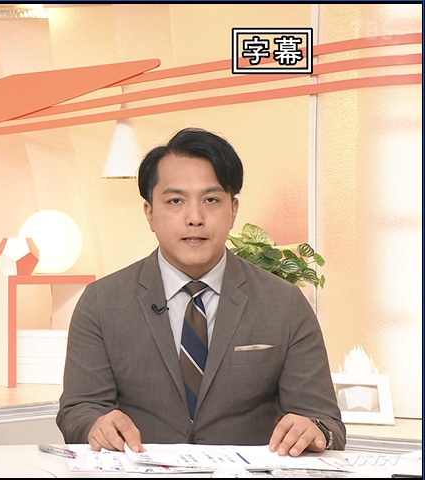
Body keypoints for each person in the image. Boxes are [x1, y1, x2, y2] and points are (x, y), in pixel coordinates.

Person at [56, 127, 345, 457]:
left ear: (233, 210)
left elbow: (325, 421)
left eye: (211, 200)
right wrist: (95, 424)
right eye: (175, 201)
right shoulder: (101, 302)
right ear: (150, 213)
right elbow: (77, 410)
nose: (194, 218)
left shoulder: (285, 304)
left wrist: (314, 429)